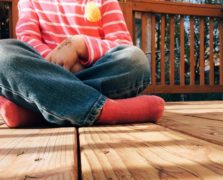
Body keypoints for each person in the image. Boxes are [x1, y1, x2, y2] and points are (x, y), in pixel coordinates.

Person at [0, 0, 164, 128]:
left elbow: (122, 44)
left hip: (89, 74)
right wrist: (59, 65)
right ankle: (108, 110)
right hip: (46, 73)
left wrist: (80, 45)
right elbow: (28, 41)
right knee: (2, 53)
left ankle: (35, 113)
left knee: (135, 60)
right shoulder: (30, 1)